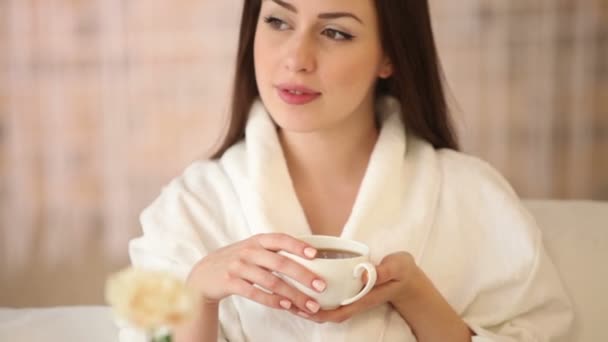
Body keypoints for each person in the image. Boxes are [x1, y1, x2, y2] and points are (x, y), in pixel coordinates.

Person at [122, 0, 573, 341]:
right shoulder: (190, 206)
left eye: (335, 33)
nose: (297, 57)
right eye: (278, 21)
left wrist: (415, 296)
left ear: (389, 55)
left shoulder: (472, 197)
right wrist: (199, 295)